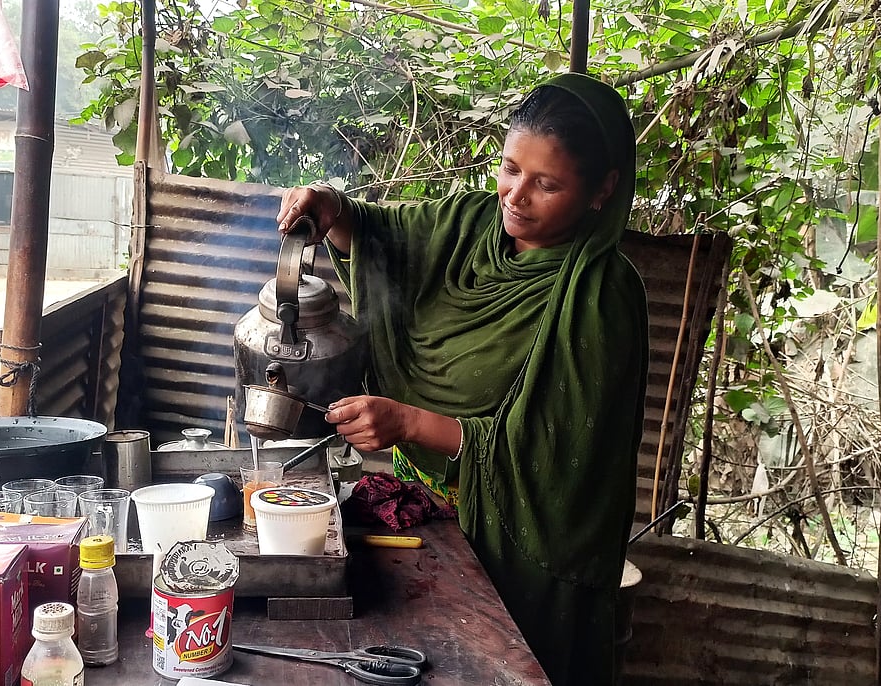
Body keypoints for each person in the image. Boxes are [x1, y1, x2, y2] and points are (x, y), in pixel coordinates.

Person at [275, 73, 649, 685]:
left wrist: (408, 422)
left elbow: (559, 459)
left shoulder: (601, 296)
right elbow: (377, 234)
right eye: (510, 168)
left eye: (546, 184)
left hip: (518, 551)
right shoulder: (470, 223)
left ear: (603, 189)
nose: (515, 196)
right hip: (419, 512)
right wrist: (330, 208)